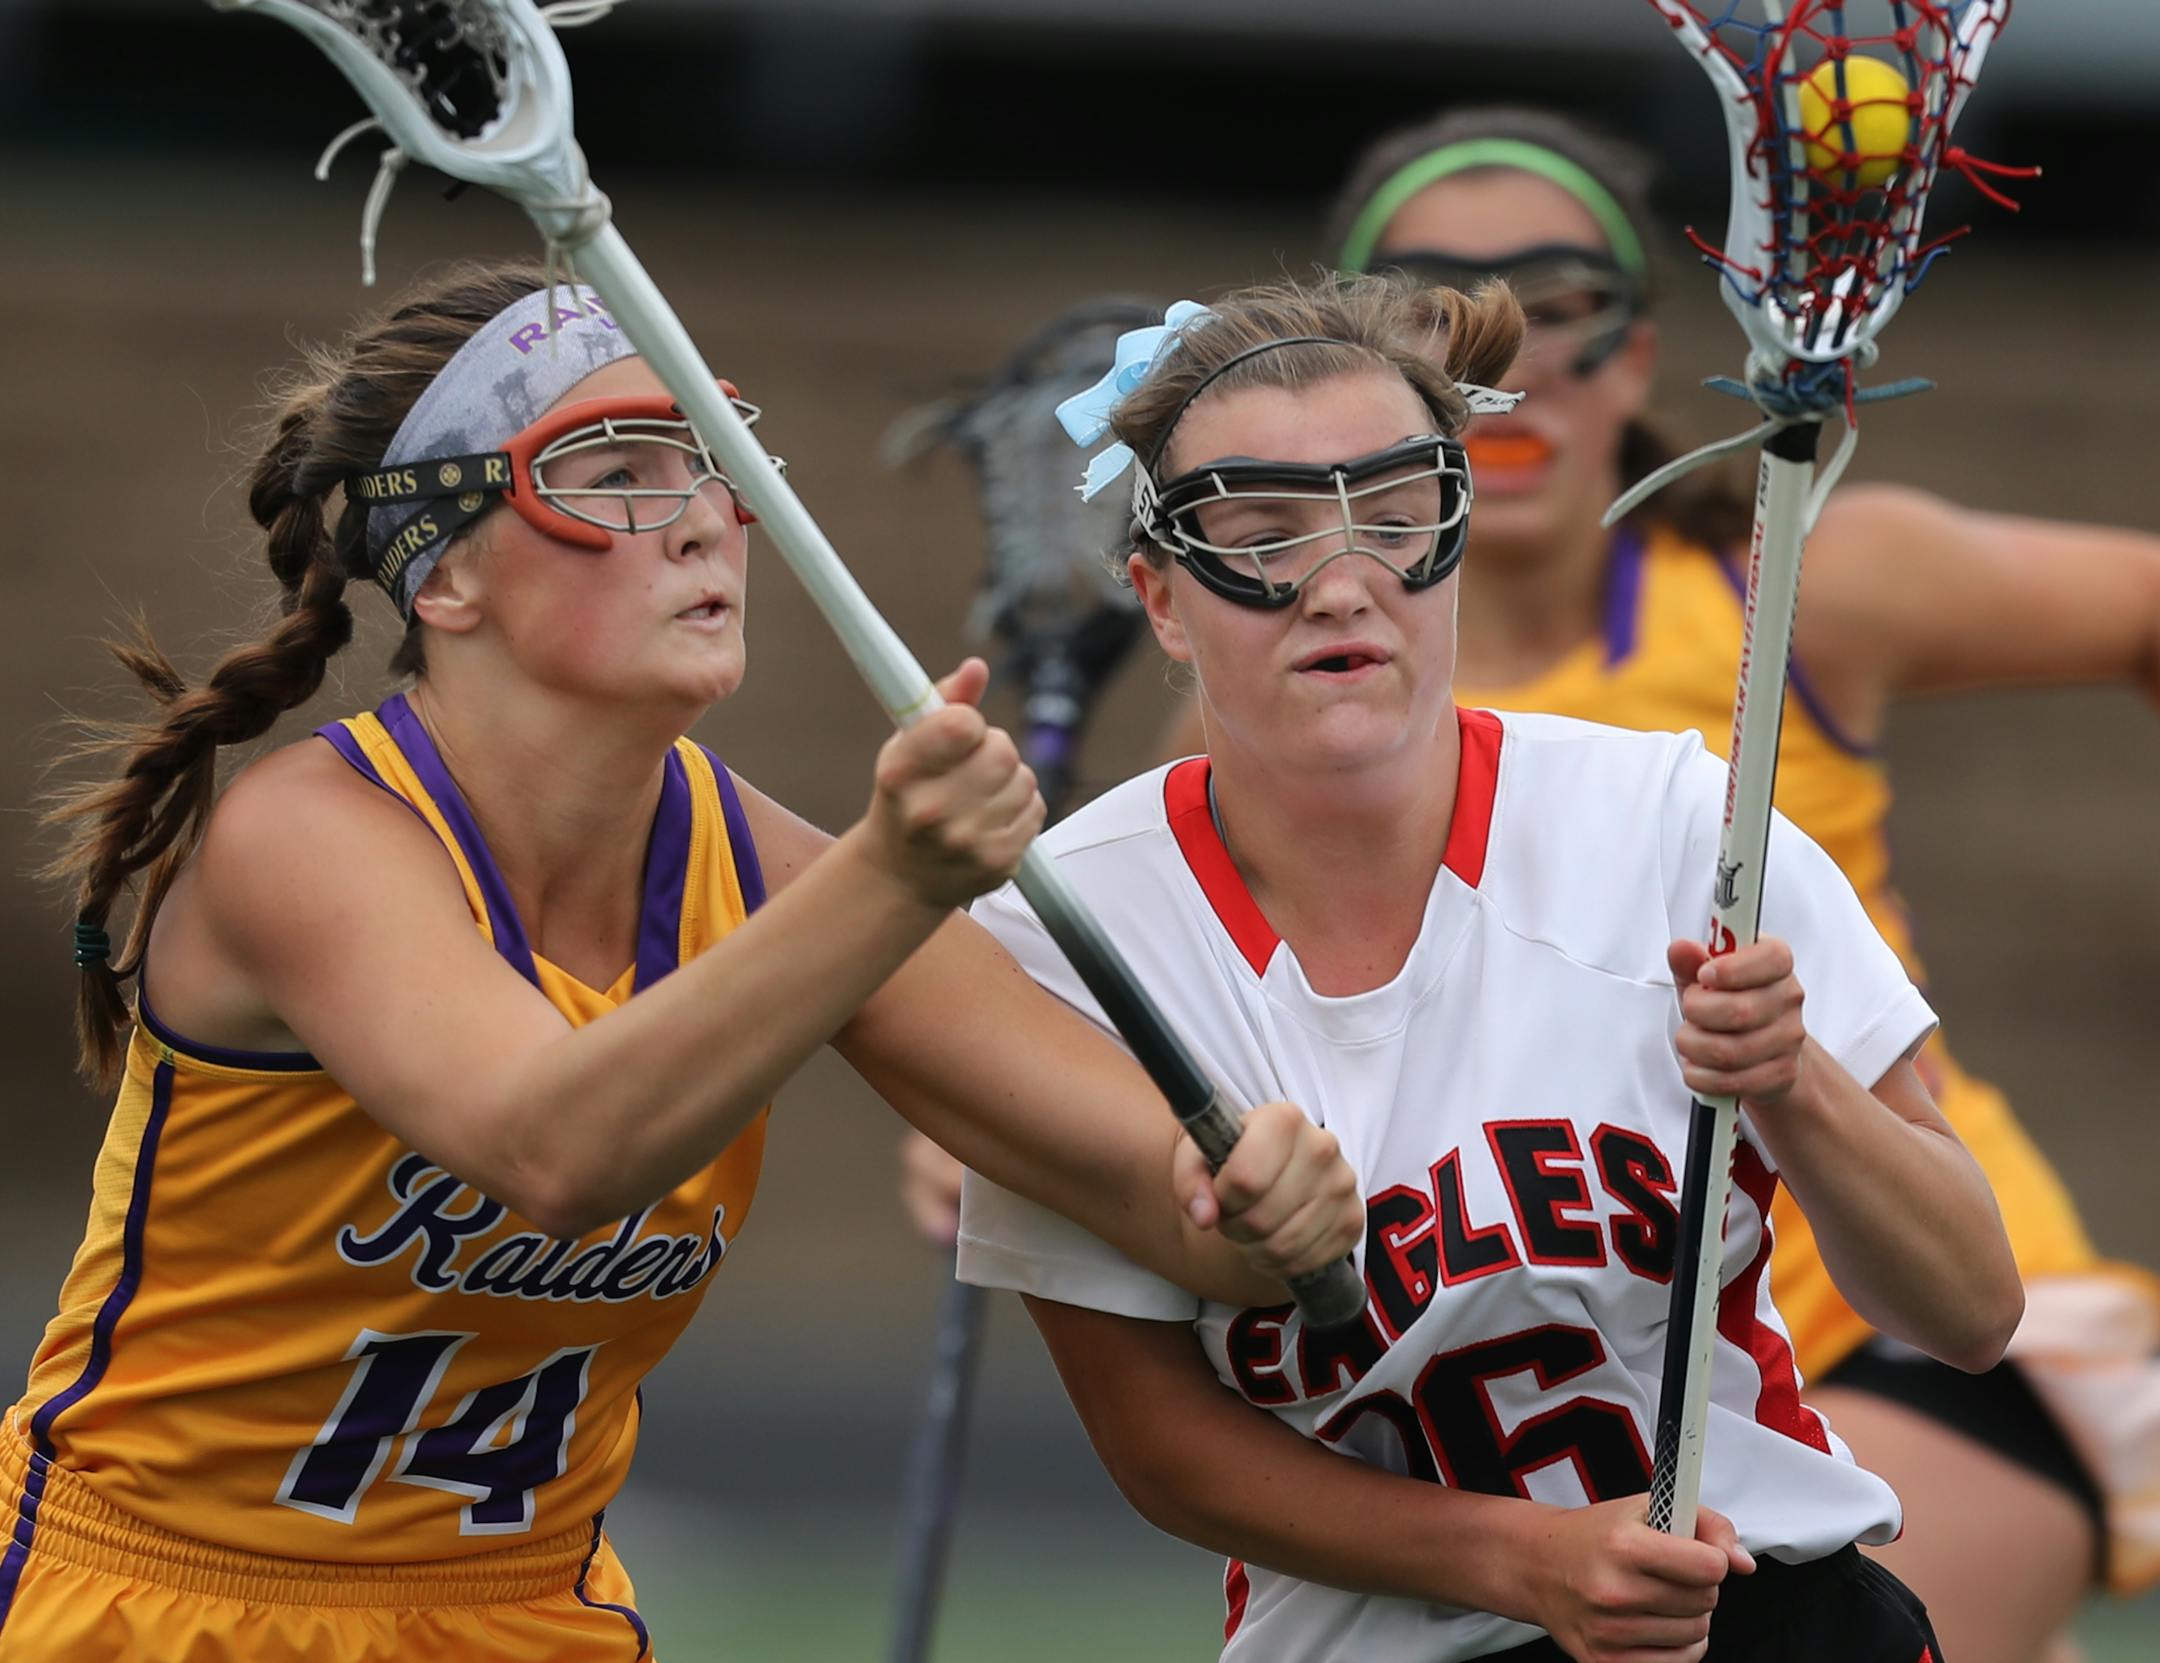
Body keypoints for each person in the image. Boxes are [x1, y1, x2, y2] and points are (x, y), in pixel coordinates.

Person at [0, 261, 1364, 1663]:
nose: (712, 518)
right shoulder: (307, 840)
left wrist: (1261, 1206)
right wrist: (892, 877)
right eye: (618, 470)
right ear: (449, 570)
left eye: (715, 464)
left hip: (527, 1617)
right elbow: (556, 1150)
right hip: (159, 1608)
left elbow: (1160, 1197)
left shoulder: (752, 860)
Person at [957, 272, 2024, 1663]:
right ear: (1162, 598)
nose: (1342, 585)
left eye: (1396, 520)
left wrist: (1792, 1083)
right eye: (1263, 536)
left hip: (1761, 1615)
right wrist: (1525, 1563)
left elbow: (1971, 1309)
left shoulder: (1675, 824)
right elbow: (1160, 1442)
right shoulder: (1062, 937)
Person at [1291, 106, 2160, 1663]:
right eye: (1440, 315)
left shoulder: (1795, 593)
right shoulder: (1306, 693)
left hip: (1920, 1330)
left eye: (1565, 311)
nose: (1514, 365)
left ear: (1637, 358)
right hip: (1587, 1405)